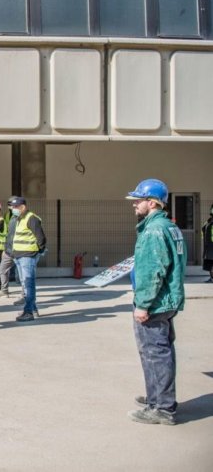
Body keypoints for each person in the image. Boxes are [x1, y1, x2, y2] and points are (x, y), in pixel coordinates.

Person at [126, 179, 186, 425]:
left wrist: (143, 304)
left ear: (152, 203)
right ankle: (157, 397)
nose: (134, 204)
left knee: (155, 353)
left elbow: (153, 271)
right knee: (161, 351)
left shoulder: (153, 230)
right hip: (166, 300)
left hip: (155, 303)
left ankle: (162, 408)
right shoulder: (169, 226)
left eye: (138, 200)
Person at [8, 196, 46, 322]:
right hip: (18, 255)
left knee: (29, 284)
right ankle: (33, 309)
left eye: (16, 207)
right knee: (25, 284)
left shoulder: (31, 218)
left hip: (27, 256)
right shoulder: (19, 218)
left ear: (23, 207)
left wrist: (38, 252)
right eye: (12, 207)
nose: (13, 209)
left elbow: (41, 238)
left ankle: (28, 312)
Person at [203, 204, 213, 283]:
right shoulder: (208, 221)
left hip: (210, 246)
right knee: (209, 263)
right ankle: (211, 277)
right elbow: (203, 230)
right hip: (208, 246)